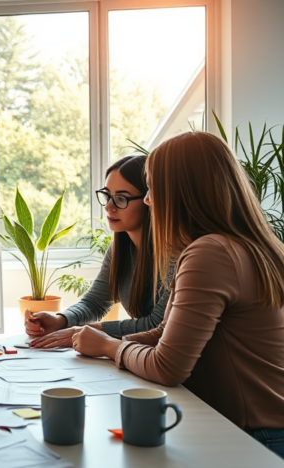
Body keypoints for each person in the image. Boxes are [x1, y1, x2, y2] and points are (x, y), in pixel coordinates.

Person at [72, 132, 284, 458]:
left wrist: (109, 346)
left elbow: (168, 366)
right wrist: (98, 343)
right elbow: (163, 333)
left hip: (257, 435)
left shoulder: (210, 253)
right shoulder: (238, 244)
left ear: (181, 193)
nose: (147, 200)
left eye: (153, 188)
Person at [28, 155, 173, 348]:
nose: (108, 207)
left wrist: (87, 332)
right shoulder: (120, 248)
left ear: (149, 199)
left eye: (121, 198)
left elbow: (156, 324)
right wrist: (60, 320)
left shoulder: (176, 255)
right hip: (140, 356)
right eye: (107, 196)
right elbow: (95, 302)